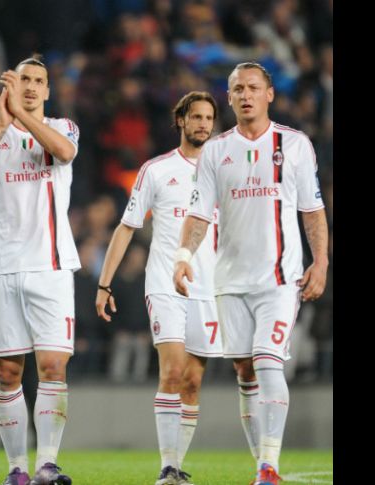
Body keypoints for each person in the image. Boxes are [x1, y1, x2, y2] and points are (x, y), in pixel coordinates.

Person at [173, 63, 328, 485]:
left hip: (280, 279)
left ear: (270, 94)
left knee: (268, 361)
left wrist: (322, 261)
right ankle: (260, 461)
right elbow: (199, 214)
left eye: (253, 88)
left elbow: (312, 210)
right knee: (244, 370)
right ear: (229, 97)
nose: (245, 95)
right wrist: (184, 254)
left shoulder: (294, 145)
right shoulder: (216, 152)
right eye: (238, 88)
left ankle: (268, 466)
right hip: (230, 281)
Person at [0, 54, 80, 485]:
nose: (30, 87)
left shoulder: (64, 128)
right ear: (9, 87)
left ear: (48, 90)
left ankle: (47, 463)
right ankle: (16, 470)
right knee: (7, 372)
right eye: (23, 80)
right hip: (5, 267)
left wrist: (23, 118)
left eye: (38, 81)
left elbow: (63, 153)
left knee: (52, 365)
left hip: (51, 265)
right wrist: (0, 125)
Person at [96, 91, 223, 485]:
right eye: (196, 117)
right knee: (171, 372)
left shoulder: (224, 169)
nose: (203, 123)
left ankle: (177, 467)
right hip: (165, 283)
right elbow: (127, 226)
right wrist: (104, 282)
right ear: (180, 121)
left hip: (211, 287)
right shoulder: (156, 169)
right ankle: (167, 466)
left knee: (193, 381)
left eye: (208, 117)